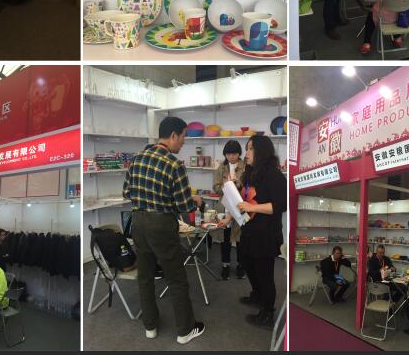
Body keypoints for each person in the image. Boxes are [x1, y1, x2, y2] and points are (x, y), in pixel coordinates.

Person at [123, 116, 205, 345]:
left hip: (138, 221)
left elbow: (127, 192)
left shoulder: (137, 159)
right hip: (161, 225)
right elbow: (184, 206)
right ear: (173, 135)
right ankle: (185, 331)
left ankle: (150, 326)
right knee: (176, 278)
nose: (184, 142)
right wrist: (194, 200)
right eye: (183, 137)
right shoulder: (174, 164)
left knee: (145, 276)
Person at [234, 135, 287, 329]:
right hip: (249, 229)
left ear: (261, 151)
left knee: (265, 274)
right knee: (247, 263)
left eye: (250, 148)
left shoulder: (274, 174)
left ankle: (267, 313)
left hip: (266, 234)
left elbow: (280, 205)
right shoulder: (250, 173)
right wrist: (234, 189)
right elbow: (245, 198)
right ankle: (257, 295)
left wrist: (252, 207)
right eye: (246, 148)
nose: (246, 153)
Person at [212, 140, 246, 280]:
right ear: (225, 154)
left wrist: (238, 184)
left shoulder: (245, 167)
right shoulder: (221, 167)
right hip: (224, 207)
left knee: (240, 239)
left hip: (240, 207)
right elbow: (215, 187)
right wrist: (226, 186)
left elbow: (248, 186)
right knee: (224, 239)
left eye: (234, 154)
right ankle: (225, 266)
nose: (231, 156)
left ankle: (240, 266)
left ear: (239, 153)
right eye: (228, 154)